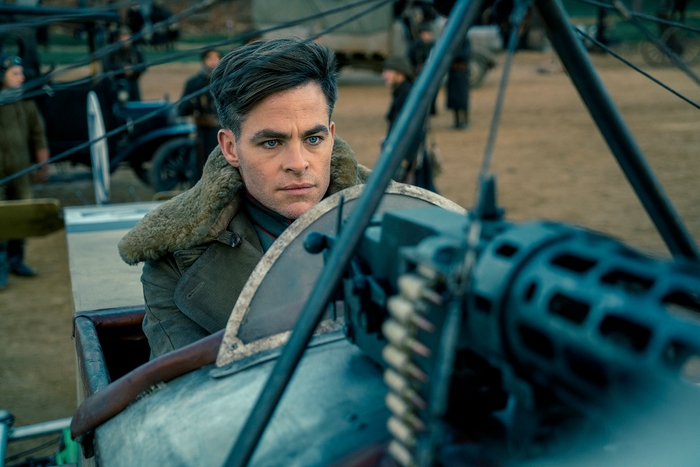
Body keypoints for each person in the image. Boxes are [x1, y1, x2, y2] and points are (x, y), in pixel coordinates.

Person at [118, 39, 370, 358]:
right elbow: (186, 382)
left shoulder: (394, 217)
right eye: (271, 142)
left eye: (313, 139)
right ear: (230, 148)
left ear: (332, 137)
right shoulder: (176, 262)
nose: (298, 163)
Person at [0, 54, 50, 290]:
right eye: (15, 74)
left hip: (21, 170)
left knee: (21, 214)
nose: (21, 78)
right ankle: (1, 265)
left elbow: (38, 134)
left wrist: (42, 165)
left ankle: (16, 260)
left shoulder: (26, 103)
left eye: (21, 73)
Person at [381, 56, 437, 192]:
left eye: (388, 71)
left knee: (420, 194)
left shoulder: (408, 94)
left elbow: (414, 131)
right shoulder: (401, 92)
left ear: (400, 73)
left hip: (409, 156)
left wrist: (405, 160)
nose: (384, 75)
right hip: (403, 153)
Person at [178, 49, 222, 175]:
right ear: (203, 61)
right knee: (202, 164)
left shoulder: (227, 81)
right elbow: (182, 109)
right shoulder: (194, 83)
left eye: (216, 58)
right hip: (203, 131)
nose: (213, 62)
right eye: (210, 59)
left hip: (223, 129)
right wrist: (191, 105)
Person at [107, 27, 146, 102]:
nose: (124, 40)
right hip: (118, 83)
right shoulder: (114, 52)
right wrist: (122, 69)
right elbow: (109, 66)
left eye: (126, 37)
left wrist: (132, 69)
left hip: (133, 83)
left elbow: (143, 66)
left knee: (135, 104)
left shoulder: (136, 52)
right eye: (122, 37)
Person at [446, 37, 470, 129]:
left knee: (463, 99)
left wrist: (454, 55)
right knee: (454, 99)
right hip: (453, 73)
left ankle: (465, 120)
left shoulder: (465, 41)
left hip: (462, 73)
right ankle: (456, 121)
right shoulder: (450, 40)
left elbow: (464, 54)